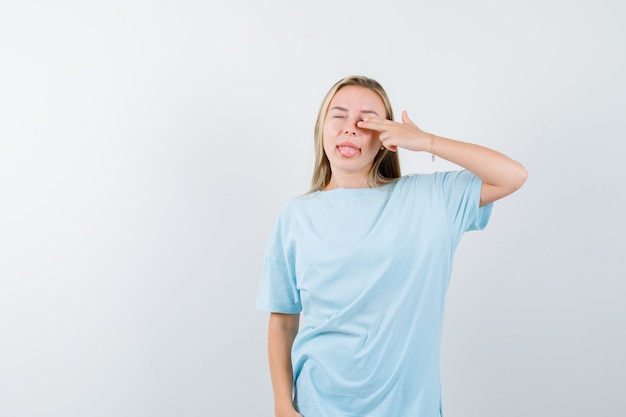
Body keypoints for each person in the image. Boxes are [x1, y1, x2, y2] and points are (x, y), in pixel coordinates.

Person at [256, 75, 527, 417]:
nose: (350, 128)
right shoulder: (294, 216)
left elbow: (512, 175)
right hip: (317, 405)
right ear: (321, 128)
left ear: (386, 137)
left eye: (366, 120)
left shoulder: (430, 199)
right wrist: (283, 405)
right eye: (338, 115)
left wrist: (425, 141)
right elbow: (282, 322)